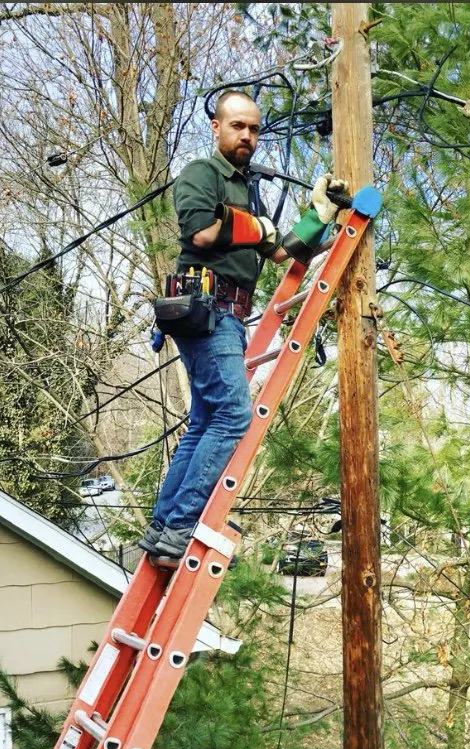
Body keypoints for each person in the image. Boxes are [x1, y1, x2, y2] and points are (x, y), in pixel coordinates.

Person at [140, 90, 348, 559]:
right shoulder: (202, 174)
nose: (247, 136)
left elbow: (281, 251)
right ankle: (181, 528)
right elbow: (201, 231)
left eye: (254, 129)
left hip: (229, 314)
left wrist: (319, 216)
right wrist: (258, 227)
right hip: (206, 309)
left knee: (205, 422)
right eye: (237, 126)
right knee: (233, 417)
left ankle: (162, 529)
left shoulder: (244, 187)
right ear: (216, 127)